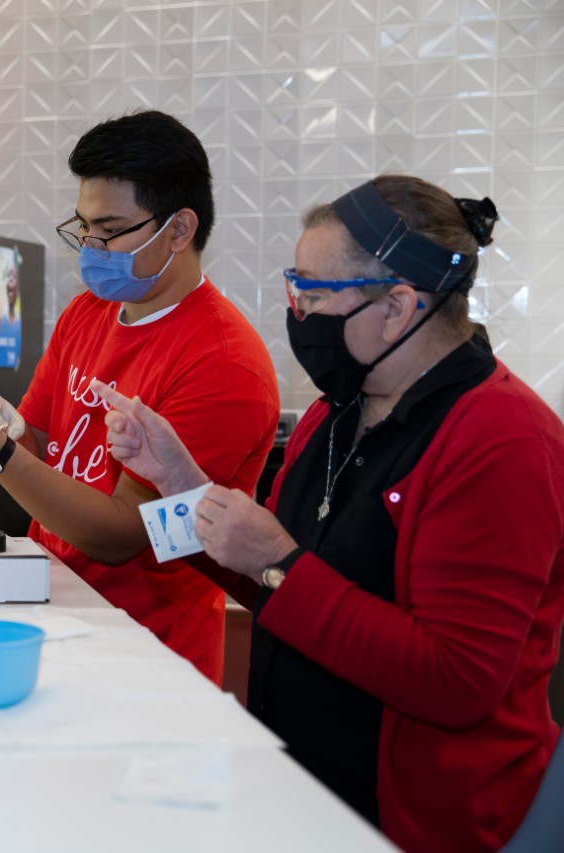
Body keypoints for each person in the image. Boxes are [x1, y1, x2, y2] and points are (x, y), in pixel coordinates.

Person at [95, 174, 564, 853]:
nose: (299, 313)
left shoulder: (503, 440)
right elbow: (273, 584)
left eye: (313, 293)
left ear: (397, 306)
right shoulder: (333, 413)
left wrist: (277, 561)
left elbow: (457, 680)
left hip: (418, 818)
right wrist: (180, 486)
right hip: (302, 788)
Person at [0, 110, 280, 684]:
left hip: (146, 656)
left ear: (179, 230)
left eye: (110, 229)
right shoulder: (88, 312)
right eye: (84, 227)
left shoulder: (223, 362)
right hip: (52, 614)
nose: (92, 246)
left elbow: (121, 535)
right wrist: (7, 429)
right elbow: (42, 442)